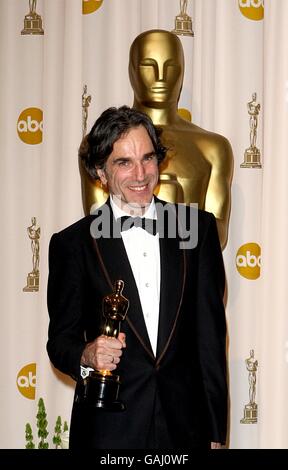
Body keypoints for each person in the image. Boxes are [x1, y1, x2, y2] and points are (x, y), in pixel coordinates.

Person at [47, 105, 228, 449]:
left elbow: (211, 341)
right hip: (108, 431)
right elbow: (60, 341)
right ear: (100, 171)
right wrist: (86, 354)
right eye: (124, 163)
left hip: (184, 430)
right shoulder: (73, 244)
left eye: (148, 158)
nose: (141, 174)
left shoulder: (198, 230)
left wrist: (216, 434)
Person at [79, 30, 233, 249]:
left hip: (188, 276)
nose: (161, 77)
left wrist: (167, 214)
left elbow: (218, 235)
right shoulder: (99, 143)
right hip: (121, 276)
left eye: (171, 67)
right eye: (148, 66)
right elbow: (99, 224)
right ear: (132, 71)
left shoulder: (213, 148)